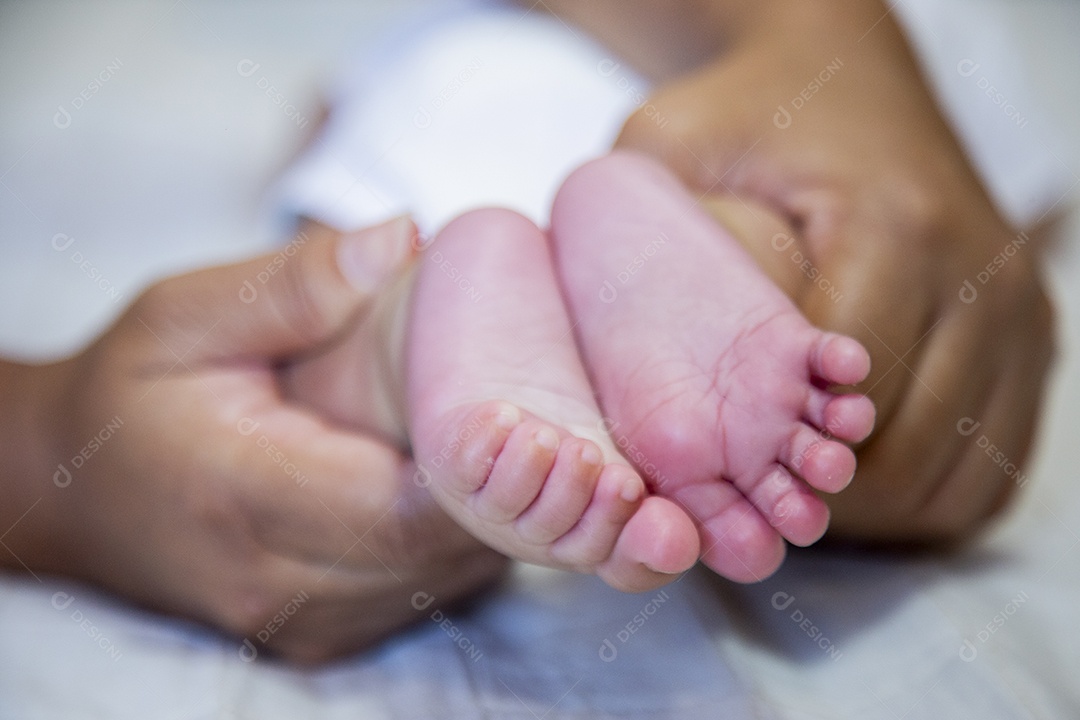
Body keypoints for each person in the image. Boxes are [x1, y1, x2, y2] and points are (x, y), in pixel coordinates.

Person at [0, 0, 1055, 662]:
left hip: (467, 81)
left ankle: (402, 338)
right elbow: (1019, 201)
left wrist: (49, 451)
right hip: (769, 126)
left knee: (359, 295)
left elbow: (324, 121)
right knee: (833, 295)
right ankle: (742, 254)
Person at [285, 151, 876, 589]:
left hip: (410, 192)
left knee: (340, 339)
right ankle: (745, 241)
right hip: (623, 135)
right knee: (778, 229)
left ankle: (406, 339)